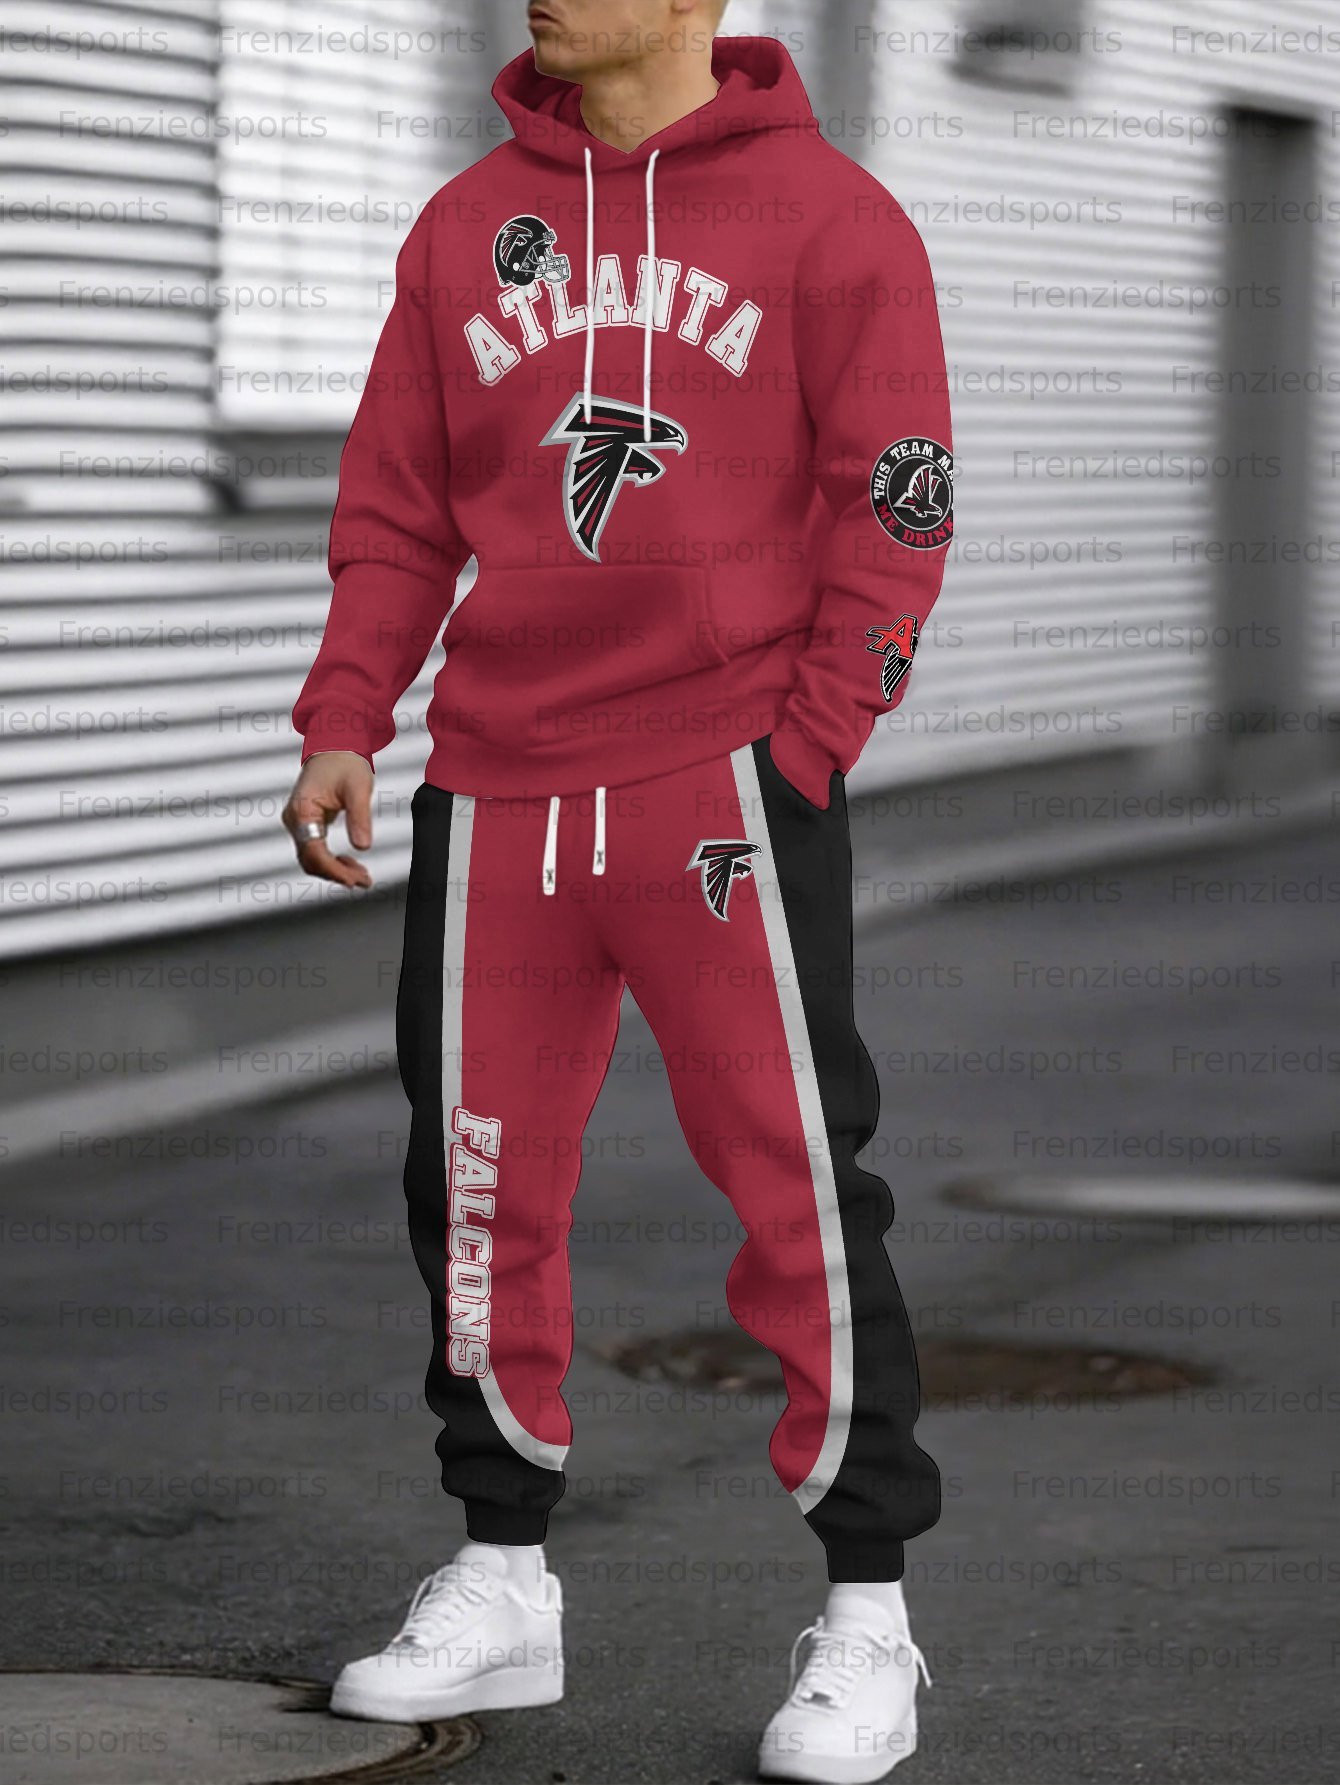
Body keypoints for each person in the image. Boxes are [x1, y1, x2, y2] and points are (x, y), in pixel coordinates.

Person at [283, 2, 951, 1778]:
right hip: (497, 791)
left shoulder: (835, 221)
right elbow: (398, 505)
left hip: (722, 782)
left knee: (801, 1190)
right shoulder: (464, 227)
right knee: (474, 1190)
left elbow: (898, 500)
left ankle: (868, 1617)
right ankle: (503, 1577)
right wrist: (346, 716)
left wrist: (809, 743)